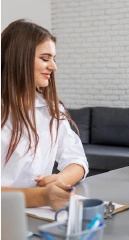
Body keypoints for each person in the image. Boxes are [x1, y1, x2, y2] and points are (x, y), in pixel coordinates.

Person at [0, 19, 89, 210]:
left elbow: (78, 160)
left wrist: (59, 180)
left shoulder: (51, 109)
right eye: (45, 58)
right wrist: (42, 196)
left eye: (54, 59)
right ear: (19, 58)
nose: (54, 67)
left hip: (38, 216)